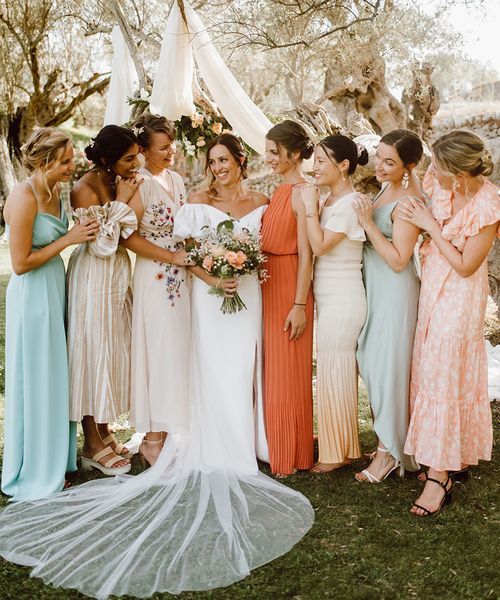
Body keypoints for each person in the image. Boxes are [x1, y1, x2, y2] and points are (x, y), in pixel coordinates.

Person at [0, 133, 314, 599]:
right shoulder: (100, 187)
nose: (166, 155)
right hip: (132, 276)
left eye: (169, 148)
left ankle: (133, 435)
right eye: (152, 149)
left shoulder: (166, 183)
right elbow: (118, 237)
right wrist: (184, 258)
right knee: (116, 356)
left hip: (181, 280)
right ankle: (139, 435)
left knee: (160, 358)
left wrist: (210, 265)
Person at [399, 130, 499, 516]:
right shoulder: (440, 185)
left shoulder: (489, 205)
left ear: (458, 173)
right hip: (433, 287)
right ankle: (448, 456)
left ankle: (439, 477)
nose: (433, 174)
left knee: (446, 372)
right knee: (434, 371)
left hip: (460, 295)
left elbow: (465, 265)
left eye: (439, 168)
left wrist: (430, 225)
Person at [1, 128, 99, 501]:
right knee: (37, 379)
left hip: (55, 289)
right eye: (65, 161)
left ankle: (56, 461)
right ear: (44, 162)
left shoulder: (55, 191)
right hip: (32, 297)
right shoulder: (23, 197)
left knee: (57, 377)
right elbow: (21, 264)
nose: (71, 166)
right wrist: (69, 239)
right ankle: (35, 469)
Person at [67, 125, 141, 475]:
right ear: (107, 159)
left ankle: (105, 430)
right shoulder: (84, 188)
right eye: (129, 158)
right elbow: (100, 244)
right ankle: (90, 444)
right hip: (93, 278)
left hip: (115, 278)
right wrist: (122, 201)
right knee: (92, 352)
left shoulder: (118, 179)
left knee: (111, 351)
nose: (136, 162)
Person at [353, 128, 423, 483]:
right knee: (372, 360)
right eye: (379, 156)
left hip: (396, 291)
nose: (379, 165)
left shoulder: (409, 203)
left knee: (387, 369)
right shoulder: (387, 188)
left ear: (408, 166)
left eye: (389, 161)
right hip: (377, 288)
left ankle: (389, 455)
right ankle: (390, 437)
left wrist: (367, 223)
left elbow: (399, 259)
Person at [122, 113, 191, 466]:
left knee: (176, 351)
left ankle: (166, 432)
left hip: (182, 277)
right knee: (159, 351)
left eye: (173, 144)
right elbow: (129, 236)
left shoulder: (176, 179)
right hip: (155, 276)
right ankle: (151, 439)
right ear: (145, 151)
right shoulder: (139, 183)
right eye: (164, 147)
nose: (172, 151)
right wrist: (171, 257)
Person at [301, 135, 369, 473]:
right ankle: (339, 443)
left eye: (321, 161)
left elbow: (321, 246)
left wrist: (309, 209)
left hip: (344, 298)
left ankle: (335, 453)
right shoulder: (329, 201)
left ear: (343, 166)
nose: (315, 167)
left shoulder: (351, 203)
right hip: (328, 298)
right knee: (332, 371)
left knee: (335, 371)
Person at [261, 120, 315, 477]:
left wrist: (298, 305)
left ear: (293, 154)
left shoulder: (302, 192)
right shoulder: (280, 189)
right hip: (269, 285)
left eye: (273, 152)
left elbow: (308, 254)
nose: (267, 158)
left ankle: (292, 454)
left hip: (290, 287)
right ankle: (279, 447)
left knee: (288, 373)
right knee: (274, 371)